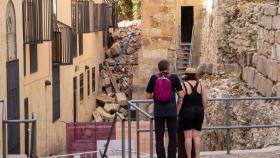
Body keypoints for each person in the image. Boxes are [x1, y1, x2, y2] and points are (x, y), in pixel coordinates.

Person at [146, 60, 185, 158]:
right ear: (168, 67)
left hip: (158, 111)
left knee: (159, 138)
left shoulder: (154, 77)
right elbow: (181, 94)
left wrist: (156, 94)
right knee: (172, 137)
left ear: (158, 68)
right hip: (172, 111)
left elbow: (147, 95)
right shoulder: (174, 77)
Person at [178, 68, 208, 158]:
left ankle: (189, 156)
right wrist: (204, 110)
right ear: (195, 75)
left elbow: (180, 100)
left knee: (188, 137)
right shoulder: (201, 85)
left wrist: (177, 112)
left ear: (186, 75)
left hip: (186, 112)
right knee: (197, 136)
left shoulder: (183, 85)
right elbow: (205, 100)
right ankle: (197, 156)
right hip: (199, 112)